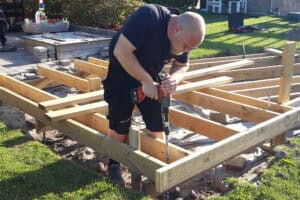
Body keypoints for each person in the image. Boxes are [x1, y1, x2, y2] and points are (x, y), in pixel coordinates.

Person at [103, 4, 205, 186]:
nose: (186, 51)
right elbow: (121, 51)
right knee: (119, 124)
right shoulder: (149, 17)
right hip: (122, 71)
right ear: (177, 29)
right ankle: (113, 163)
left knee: (158, 119)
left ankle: (153, 160)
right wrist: (146, 81)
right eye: (186, 46)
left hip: (149, 74)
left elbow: (182, 66)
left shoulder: (182, 37)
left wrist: (174, 79)